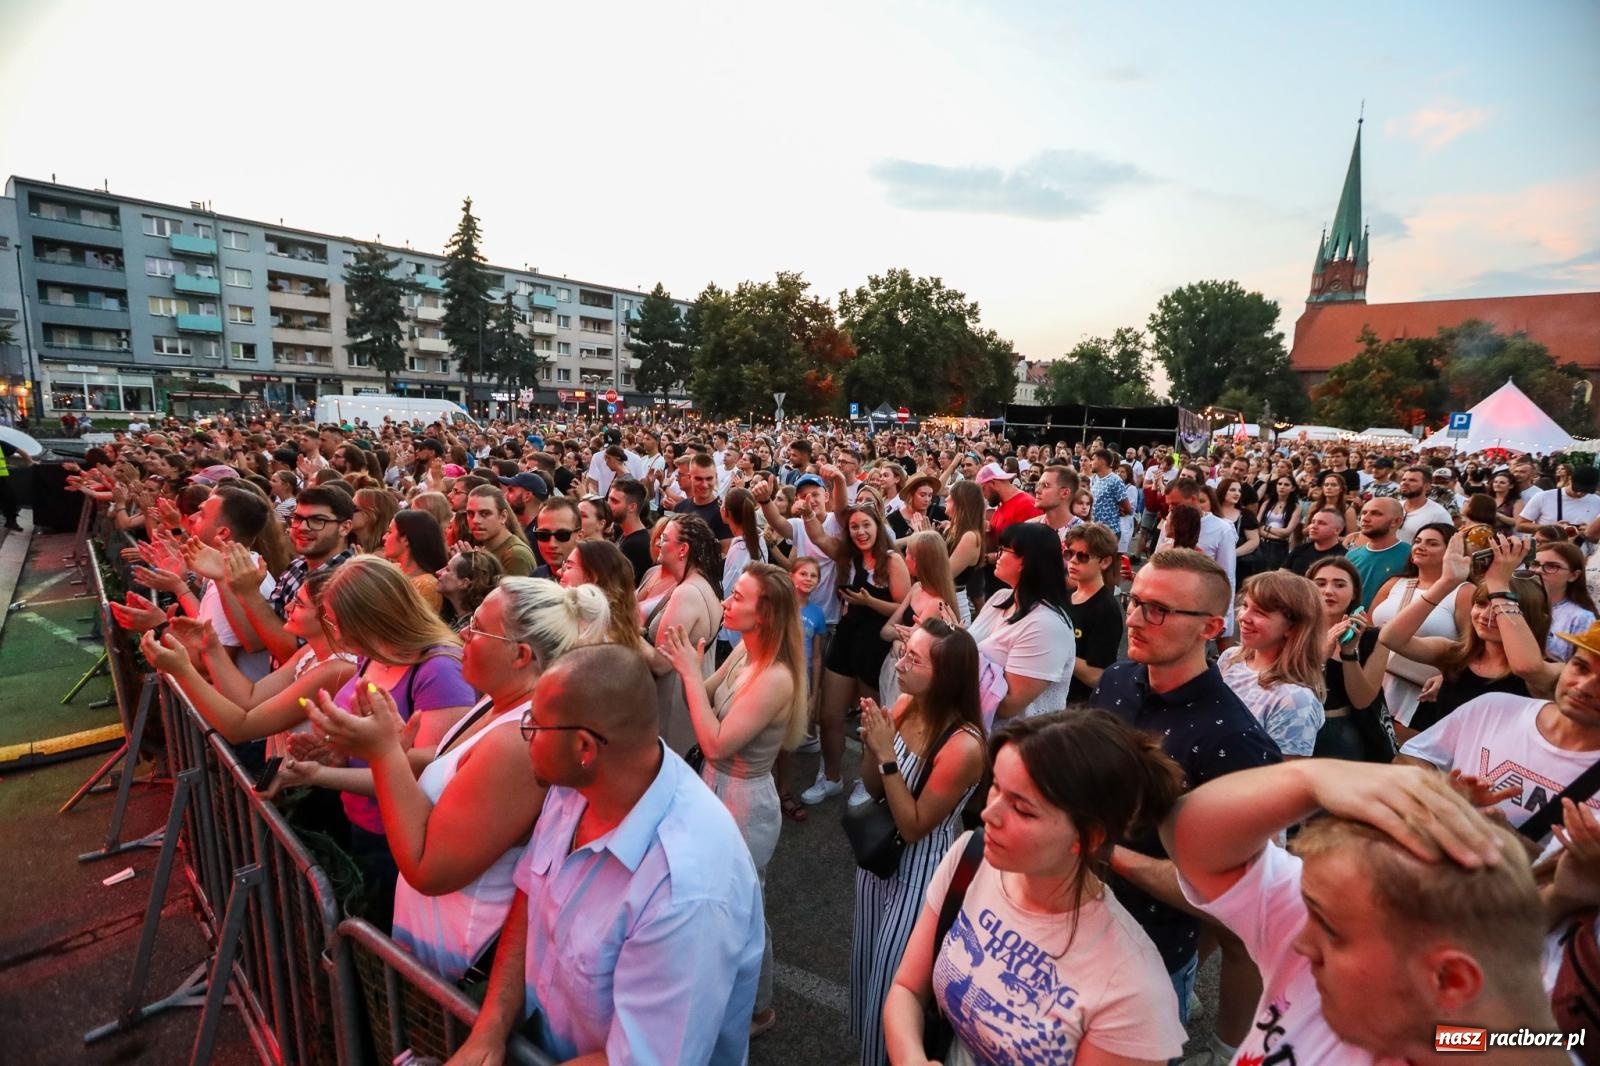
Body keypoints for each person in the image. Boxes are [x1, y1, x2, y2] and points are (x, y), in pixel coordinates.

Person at [446, 644, 764, 1066]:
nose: (527, 735)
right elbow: (530, 899)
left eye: (535, 724)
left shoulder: (686, 892)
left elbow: (640, 1060)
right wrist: (490, 1029)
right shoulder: (574, 785)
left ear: (584, 747)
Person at [304, 578, 607, 981]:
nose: (462, 633)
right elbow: (450, 770)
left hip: (459, 965)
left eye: (477, 627)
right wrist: (380, 748)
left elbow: (428, 869)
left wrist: (384, 753)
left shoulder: (519, 741)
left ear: (519, 655)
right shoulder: (495, 705)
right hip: (434, 950)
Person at [1163, 760, 1564, 1064]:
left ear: (1449, 979)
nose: (1301, 941)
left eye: (1332, 930)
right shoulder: (1406, 1004)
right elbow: (1188, 837)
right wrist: (1311, 779)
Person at [882, 710, 1188, 1066]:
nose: (989, 814)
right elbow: (907, 988)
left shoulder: (1133, 990)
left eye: (1023, 810)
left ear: (1089, 837)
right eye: (996, 786)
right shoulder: (970, 860)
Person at [1092, 549, 1281, 1045]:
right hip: (1071, 924)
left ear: (1210, 627)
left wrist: (1105, 851)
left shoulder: (1235, 741)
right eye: (1134, 601)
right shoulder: (1116, 680)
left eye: (1158, 610)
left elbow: (1235, 895)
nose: (1134, 619)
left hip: (1147, 958)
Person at [273, 556, 478, 930]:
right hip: (362, 822)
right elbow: (375, 747)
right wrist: (336, 752)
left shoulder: (439, 669)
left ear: (369, 617)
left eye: (335, 620)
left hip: (400, 839)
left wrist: (318, 774)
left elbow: (420, 769)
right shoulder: (372, 654)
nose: (332, 629)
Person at [659, 561, 808, 1038]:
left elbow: (716, 742)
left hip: (744, 805)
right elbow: (703, 698)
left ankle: (758, 1010)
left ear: (765, 614)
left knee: (744, 911)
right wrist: (689, 667)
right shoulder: (746, 650)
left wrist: (688, 672)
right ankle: (721, 994)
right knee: (715, 905)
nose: (726, 602)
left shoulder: (777, 677)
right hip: (715, 791)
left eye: (738, 597)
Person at [850, 621, 987, 1066]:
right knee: (869, 964)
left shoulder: (964, 746)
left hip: (920, 875)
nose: (900, 662)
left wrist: (887, 754)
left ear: (945, 677)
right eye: (905, 651)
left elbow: (913, 826)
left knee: (893, 982)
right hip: (879, 863)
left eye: (913, 658)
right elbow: (873, 787)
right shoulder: (909, 703)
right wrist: (872, 745)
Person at [1400, 618, 1600, 841]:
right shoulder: (1493, 708)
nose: (1584, 687)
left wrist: (1507, 838)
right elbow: (1410, 757)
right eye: (1581, 667)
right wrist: (1444, 793)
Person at [139, 570, 356, 758]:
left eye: (299, 603)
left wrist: (183, 671)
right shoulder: (309, 652)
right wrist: (211, 648)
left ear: (328, 617)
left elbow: (241, 728)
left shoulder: (337, 669)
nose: (288, 606)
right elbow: (249, 698)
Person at [1379, 533, 1554, 736]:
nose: (1486, 615)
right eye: (1481, 603)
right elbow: (1390, 638)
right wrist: (1446, 582)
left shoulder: (1552, 671)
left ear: (1533, 616)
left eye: (1499, 607)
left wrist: (1499, 586)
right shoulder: (1455, 654)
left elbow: (1527, 668)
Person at [804, 503, 910, 805]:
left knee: (869, 720)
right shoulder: (847, 556)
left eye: (866, 525)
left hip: (875, 646)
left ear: (878, 527)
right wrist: (808, 513)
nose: (860, 531)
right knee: (829, 715)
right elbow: (819, 537)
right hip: (847, 638)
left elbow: (905, 608)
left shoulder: (891, 560)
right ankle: (831, 777)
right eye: (854, 527)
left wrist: (868, 602)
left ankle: (867, 781)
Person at [1367, 522, 1474, 730]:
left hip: (1422, 690)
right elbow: (1369, 628)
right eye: (1417, 541)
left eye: (1432, 543)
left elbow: (1473, 646)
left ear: (1452, 552)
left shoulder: (1464, 592)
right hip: (1377, 678)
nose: (1420, 547)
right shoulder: (1394, 583)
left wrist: (1447, 677)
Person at [968, 522, 1075, 723]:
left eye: (1004, 550)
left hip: (1019, 736)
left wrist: (955, 659)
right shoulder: (1000, 597)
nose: (997, 556)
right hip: (977, 727)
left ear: (1026, 561)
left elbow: (1007, 705)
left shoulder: (1046, 626)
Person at [1218, 571, 1327, 757]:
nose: (1243, 617)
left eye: (1260, 612)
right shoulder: (1230, 658)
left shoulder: (1296, 700)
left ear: (1292, 627)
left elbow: (1284, 771)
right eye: (1245, 605)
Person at [645, 514, 726, 756]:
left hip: (674, 707)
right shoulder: (702, 582)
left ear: (683, 549)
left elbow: (660, 663)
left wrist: (624, 629)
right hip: (688, 698)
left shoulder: (687, 592)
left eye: (664, 538)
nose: (658, 542)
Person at [1305, 557, 1394, 761]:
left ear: (1354, 592)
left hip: (1339, 733)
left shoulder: (1374, 638)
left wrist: (1349, 652)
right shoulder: (1292, 629)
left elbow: (1362, 700)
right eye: (1320, 583)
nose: (1328, 591)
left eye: (1339, 585)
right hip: (1291, 725)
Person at [1064, 522, 1123, 707]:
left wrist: (1059, 653)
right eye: (1069, 553)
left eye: (1083, 556)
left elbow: (1097, 675)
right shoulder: (1065, 596)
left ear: (1104, 562)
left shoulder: (1106, 609)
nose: (1073, 561)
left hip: (1078, 704)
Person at [559, 539, 645, 655]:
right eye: (564, 566)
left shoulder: (594, 641)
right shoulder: (626, 633)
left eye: (569, 567)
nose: (560, 572)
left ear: (592, 577)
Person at [1536, 540, 1598, 661]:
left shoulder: (1581, 618)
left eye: (1552, 566)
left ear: (1574, 575)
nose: (1538, 570)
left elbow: (1580, 664)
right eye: (1535, 564)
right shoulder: (1520, 602)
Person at [1343, 496, 1409, 610]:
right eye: (1364, 513)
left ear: (1396, 521)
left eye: (1376, 514)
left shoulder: (1411, 556)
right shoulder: (1351, 555)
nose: (1365, 518)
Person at [383, 508, 449, 614]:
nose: (384, 537)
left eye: (389, 532)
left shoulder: (428, 585)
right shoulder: (392, 570)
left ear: (406, 540)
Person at [466, 485, 536, 578]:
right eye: (470, 514)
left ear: (503, 516)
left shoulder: (516, 555)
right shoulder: (485, 546)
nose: (475, 520)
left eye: (485, 513)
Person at [436, 549, 502, 632]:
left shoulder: (471, 631)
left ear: (464, 583)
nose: (438, 572)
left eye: (448, 570)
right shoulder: (452, 618)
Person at [606, 476, 652, 579]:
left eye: (615, 501)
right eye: (609, 499)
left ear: (632, 507)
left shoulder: (637, 545)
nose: (608, 505)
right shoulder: (624, 532)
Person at [529, 496, 580, 579]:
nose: (552, 544)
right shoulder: (536, 577)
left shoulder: (596, 580)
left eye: (562, 535)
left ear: (579, 536)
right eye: (543, 535)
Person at [1285, 507, 1346, 575]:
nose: (1313, 526)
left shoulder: (1343, 557)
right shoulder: (1300, 549)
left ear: (1337, 530)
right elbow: (1281, 574)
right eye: (1313, 522)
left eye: (1321, 523)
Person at [350, 486, 399, 555]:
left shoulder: (383, 556)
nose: (347, 512)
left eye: (353, 508)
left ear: (372, 515)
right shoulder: (359, 548)